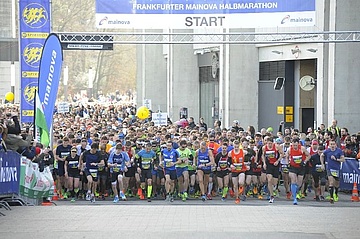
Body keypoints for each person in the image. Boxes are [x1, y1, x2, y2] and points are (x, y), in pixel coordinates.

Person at [287, 138, 311, 205]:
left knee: (299, 183)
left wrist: (305, 161)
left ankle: (296, 191)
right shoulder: (290, 149)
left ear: (298, 144)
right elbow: (286, 156)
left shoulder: (302, 148)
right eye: (293, 145)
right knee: (293, 180)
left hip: (301, 167)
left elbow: (309, 156)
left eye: (296, 145)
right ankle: (294, 198)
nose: (294, 147)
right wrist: (287, 163)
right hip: (293, 167)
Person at [262, 136, 284, 203]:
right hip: (269, 165)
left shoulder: (277, 147)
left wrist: (278, 161)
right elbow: (262, 155)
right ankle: (271, 196)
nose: (269, 145)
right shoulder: (264, 148)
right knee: (269, 179)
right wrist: (264, 163)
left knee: (274, 182)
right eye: (268, 143)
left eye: (271, 143)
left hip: (275, 165)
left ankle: (274, 188)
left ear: (273, 143)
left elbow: (282, 154)